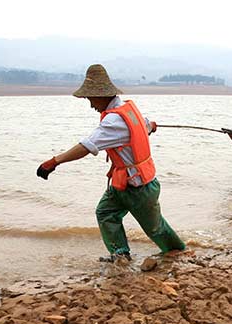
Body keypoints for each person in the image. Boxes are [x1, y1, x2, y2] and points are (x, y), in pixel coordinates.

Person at [36, 64, 185, 263]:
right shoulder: (129, 110)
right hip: (124, 183)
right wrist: (151, 126)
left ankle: (178, 251)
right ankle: (120, 255)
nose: (90, 104)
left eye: (90, 99)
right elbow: (145, 125)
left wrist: (54, 161)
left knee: (155, 227)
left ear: (102, 95)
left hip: (139, 188)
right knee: (105, 212)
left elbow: (86, 146)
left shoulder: (113, 122)